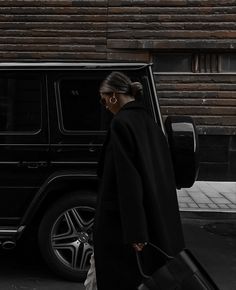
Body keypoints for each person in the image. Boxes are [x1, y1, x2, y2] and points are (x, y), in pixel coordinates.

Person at [92, 71, 185, 290]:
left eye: (103, 99)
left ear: (113, 95)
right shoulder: (149, 122)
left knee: (118, 278)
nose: (104, 105)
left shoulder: (121, 124)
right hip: (155, 219)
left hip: (121, 227)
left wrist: (135, 232)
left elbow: (127, 180)